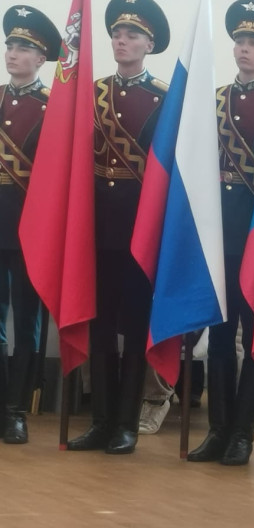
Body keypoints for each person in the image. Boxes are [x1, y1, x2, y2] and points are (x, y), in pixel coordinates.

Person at [185, 0, 254, 466]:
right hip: (218, 234)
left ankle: (243, 432)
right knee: (220, 336)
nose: (245, 49)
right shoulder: (214, 98)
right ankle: (218, 429)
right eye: (240, 41)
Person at [66, 0, 169, 456]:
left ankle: (127, 422)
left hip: (141, 229)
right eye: (117, 34)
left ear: (149, 44)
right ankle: (101, 421)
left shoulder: (166, 98)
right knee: (101, 327)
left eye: (132, 35)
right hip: (96, 227)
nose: (121, 40)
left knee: (136, 327)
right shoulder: (91, 93)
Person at [0, 4, 58, 445]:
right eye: (10, 45)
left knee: (27, 321)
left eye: (23, 47)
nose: (12, 53)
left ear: (41, 58)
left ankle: (17, 410)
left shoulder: (54, 107)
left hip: (30, 231)